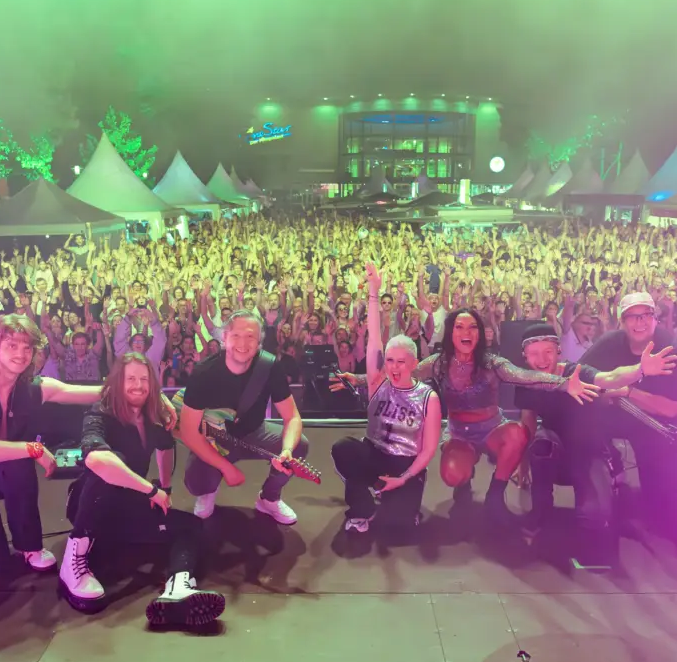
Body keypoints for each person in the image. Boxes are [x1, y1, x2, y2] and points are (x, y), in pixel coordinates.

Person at [0, 314, 169, 576]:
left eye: (27, 347)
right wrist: (34, 449)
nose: (20, 354)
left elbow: (101, 392)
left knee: (18, 463)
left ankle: (29, 545)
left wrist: (155, 397)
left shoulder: (32, 387)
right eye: (12, 345)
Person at [60, 353, 225, 625]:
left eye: (144, 379)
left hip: (128, 506)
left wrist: (165, 488)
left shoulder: (153, 416)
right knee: (112, 461)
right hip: (91, 507)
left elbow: (165, 447)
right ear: (118, 381)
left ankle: (178, 587)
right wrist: (151, 490)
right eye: (131, 379)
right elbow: (96, 459)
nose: (138, 385)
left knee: (191, 526)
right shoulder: (100, 412)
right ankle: (73, 560)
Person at [414, 308, 603, 527]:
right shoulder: (437, 363)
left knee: (518, 434)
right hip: (459, 434)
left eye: (473, 327)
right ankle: (463, 483)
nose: (466, 332)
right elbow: (406, 375)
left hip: (492, 429)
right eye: (460, 327)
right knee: (452, 474)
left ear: (479, 333)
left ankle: (495, 496)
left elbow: (525, 376)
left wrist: (564, 383)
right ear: (451, 332)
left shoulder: (492, 363)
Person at [516, 323, 676, 565]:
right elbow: (527, 420)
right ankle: (541, 510)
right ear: (525, 356)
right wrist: (522, 464)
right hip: (554, 451)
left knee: (595, 518)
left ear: (558, 350)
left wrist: (640, 369)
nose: (541, 359)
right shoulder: (527, 382)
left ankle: (599, 497)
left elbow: (609, 378)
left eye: (548, 351)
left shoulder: (577, 373)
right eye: (534, 353)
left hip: (587, 452)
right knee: (541, 443)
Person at [330, 264, 442, 537]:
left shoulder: (428, 397)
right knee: (344, 448)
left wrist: (403, 478)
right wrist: (373, 292)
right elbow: (374, 341)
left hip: (405, 464)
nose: (393, 367)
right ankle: (362, 505)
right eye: (390, 360)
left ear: (414, 363)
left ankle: (395, 495)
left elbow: (428, 450)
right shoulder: (378, 382)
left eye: (401, 362)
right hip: (375, 453)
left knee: (399, 528)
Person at [578, 291, 677, 528]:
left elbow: (676, 410)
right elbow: (580, 376)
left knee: (659, 508)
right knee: (580, 422)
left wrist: (627, 391)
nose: (639, 322)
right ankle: (605, 475)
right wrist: (604, 392)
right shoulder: (610, 343)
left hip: (656, 424)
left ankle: (665, 498)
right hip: (613, 415)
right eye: (632, 316)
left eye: (645, 315)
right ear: (621, 322)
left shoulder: (675, 351)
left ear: (656, 318)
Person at [178, 310, 310, 524]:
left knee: (298, 446)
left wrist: (286, 449)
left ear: (259, 342)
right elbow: (188, 432)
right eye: (236, 335)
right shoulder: (203, 373)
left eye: (250, 336)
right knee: (196, 482)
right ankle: (208, 491)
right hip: (215, 439)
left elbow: (292, 417)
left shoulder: (270, 366)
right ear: (225, 337)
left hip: (255, 432)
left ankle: (269, 498)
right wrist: (226, 468)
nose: (243, 343)